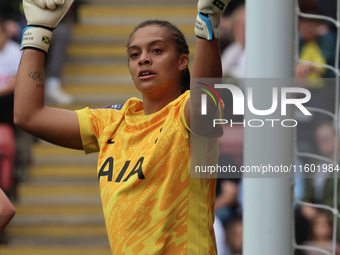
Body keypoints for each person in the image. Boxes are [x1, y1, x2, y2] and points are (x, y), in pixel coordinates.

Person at [15, 0, 228, 253]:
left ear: (183, 61)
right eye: (134, 54)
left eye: (157, 51)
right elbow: (29, 115)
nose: (143, 60)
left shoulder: (187, 115)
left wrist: (207, 17)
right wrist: (37, 30)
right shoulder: (114, 120)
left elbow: (205, 96)